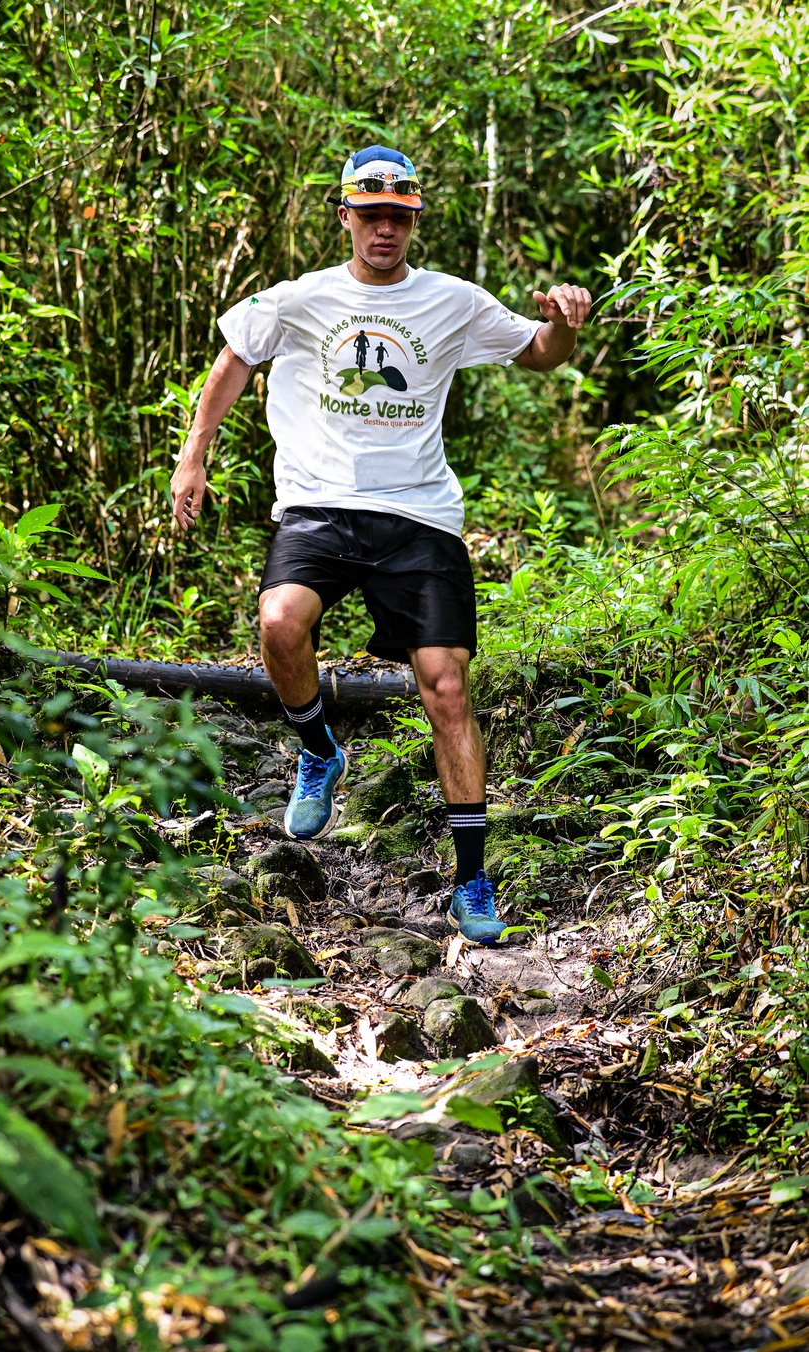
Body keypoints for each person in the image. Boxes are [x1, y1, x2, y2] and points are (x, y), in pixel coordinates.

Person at [171, 143, 591, 945]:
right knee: (280, 622)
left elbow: (538, 353)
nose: (385, 229)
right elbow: (234, 359)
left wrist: (563, 324)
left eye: (399, 216)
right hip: (320, 505)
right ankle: (318, 749)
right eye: (371, 215)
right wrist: (194, 457)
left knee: (446, 687)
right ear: (346, 218)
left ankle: (472, 880)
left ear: (414, 221)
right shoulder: (302, 298)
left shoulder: (451, 301)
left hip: (419, 515)